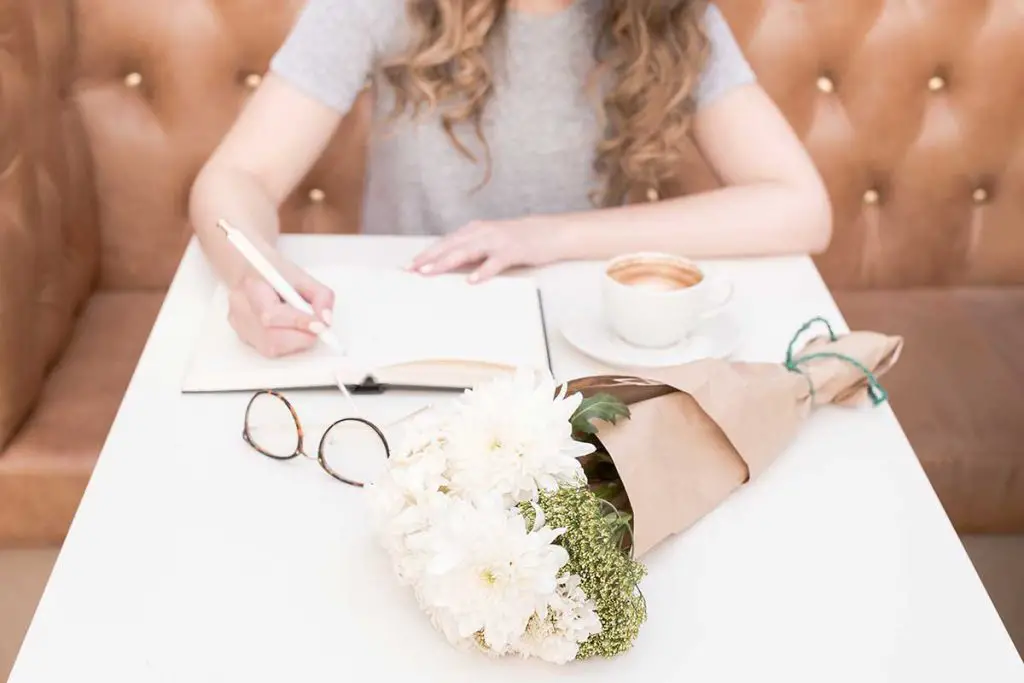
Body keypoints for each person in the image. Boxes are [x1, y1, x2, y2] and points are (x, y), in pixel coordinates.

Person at [189, 0, 832, 358]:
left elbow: (800, 206)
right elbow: (238, 175)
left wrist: (546, 236)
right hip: (410, 333)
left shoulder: (670, 13)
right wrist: (254, 274)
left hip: (591, 345)